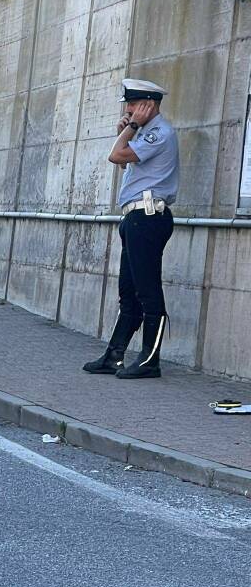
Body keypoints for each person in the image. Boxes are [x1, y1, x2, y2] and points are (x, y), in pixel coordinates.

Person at [83, 78, 179, 380]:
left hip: (149, 217)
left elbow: (116, 156)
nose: (129, 110)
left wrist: (131, 127)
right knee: (129, 292)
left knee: (148, 292)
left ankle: (150, 360)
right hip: (135, 219)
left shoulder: (160, 133)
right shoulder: (146, 132)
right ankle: (114, 356)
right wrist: (127, 128)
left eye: (134, 105)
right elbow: (123, 162)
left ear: (148, 104)